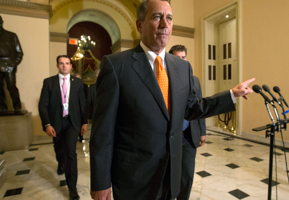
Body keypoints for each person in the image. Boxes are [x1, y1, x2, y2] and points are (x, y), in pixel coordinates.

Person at [89, 1, 254, 199]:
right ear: (140, 25)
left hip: (171, 173)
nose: (164, 24)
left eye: (169, 18)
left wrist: (230, 95)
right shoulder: (116, 66)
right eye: (157, 17)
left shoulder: (182, 67)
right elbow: (102, 132)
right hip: (134, 179)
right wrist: (100, 182)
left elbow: (192, 109)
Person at [38, 55, 87, 200]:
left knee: (71, 153)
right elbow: (43, 105)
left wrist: (84, 122)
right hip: (56, 123)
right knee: (60, 150)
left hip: (72, 123)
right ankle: (60, 162)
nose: (64, 66)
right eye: (61, 63)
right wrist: (47, 124)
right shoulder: (49, 82)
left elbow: (82, 104)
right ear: (57, 65)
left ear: (71, 66)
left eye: (67, 63)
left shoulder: (78, 82)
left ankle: (72, 188)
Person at [169, 44, 205, 200]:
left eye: (184, 58)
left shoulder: (195, 80)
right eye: (177, 58)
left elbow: (200, 107)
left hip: (190, 134)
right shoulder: (164, 78)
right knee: (170, 172)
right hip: (171, 134)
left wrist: (202, 132)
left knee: (188, 173)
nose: (181, 61)